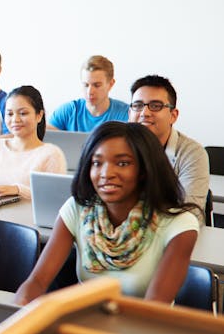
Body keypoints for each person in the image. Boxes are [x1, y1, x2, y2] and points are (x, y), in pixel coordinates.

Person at [14, 122, 200, 305]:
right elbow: (37, 282)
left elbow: (155, 306)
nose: (106, 173)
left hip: (144, 329)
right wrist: (19, 313)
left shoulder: (178, 224)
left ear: (144, 169)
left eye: (122, 163)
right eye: (97, 162)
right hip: (85, 324)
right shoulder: (77, 209)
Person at [128, 75, 209, 225]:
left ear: (173, 115)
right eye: (138, 105)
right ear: (129, 113)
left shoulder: (192, 153)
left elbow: (189, 216)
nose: (144, 113)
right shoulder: (117, 148)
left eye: (156, 106)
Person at [0, 86, 67, 200]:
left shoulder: (51, 154)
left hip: (28, 217)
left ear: (39, 115)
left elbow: (55, 198)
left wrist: (18, 190)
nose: (15, 120)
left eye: (23, 113)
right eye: (10, 114)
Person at [48, 55, 129, 132]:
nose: (90, 92)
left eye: (97, 85)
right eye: (86, 85)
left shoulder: (126, 114)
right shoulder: (67, 112)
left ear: (111, 84)